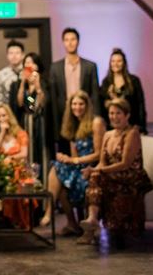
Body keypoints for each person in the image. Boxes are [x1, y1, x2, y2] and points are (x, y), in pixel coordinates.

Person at [78, 98, 152, 245]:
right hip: (112, 175)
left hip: (131, 177)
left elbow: (125, 164)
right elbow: (102, 162)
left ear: (127, 115)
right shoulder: (107, 135)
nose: (114, 117)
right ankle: (92, 220)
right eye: (111, 113)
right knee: (93, 178)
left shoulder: (132, 133)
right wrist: (92, 170)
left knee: (97, 177)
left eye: (118, 113)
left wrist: (98, 171)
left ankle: (90, 227)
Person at [42, 90, 105, 235]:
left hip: (93, 168)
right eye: (74, 104)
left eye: (81, 104)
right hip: (79, 167)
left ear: (87, 105)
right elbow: (74, 156)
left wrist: (74, 160)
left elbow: (99, 154)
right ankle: (72, 224)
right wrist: (67, 159)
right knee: (58, 171)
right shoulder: (74, 125)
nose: (77, 107)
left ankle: (49, 211)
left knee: (57, 170)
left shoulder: (96, 122)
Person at [49, 27, 101, 149]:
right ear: (63, 42)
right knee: (66, 151)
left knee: (87, 149)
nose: (70, 43)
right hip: (65, 116)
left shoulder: (90, 66)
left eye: (73, 39)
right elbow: (53, 98)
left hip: (85, 114)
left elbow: (95, 94)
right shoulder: (55, 68)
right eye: (66, 40)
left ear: (78, 41)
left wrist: (96, 117)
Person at [0, 103, 34, 229]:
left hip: (18, 166)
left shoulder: (20, 133)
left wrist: (10, 158)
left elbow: (24, 154)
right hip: (0, 168)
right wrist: (2, 133)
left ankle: (18, 220)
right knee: (0, 179)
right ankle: (5, 218)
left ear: (9, 116)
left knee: (17, 179)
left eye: (4, 115)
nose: (2, 119)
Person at [11, 52, 48, 175]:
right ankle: (28, 178)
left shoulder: (44, 82)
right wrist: (23, 82)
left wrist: (37, 86)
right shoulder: (20, 85)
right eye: (26, 62)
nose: (29, 65)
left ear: (37, 66)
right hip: (26, 121)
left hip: (40, 122)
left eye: (32, 62)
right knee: (27, 151)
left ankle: (41, 178)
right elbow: (20, 103)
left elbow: (42, 103)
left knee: (40, 150)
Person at [99, 48, 147, 133]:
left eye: (119, 61)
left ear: (124, 63)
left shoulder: (134, 80)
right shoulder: (106, 82)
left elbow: (140, 105)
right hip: (112, 128)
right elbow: (103, 106)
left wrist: (142, 126)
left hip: (131, 126)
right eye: (113, 61)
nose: (116, 64)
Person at [0, 39, 25, 107]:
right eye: (11, 53)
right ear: (7, 55)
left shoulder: (28, 72)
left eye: (17, 53)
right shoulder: (1, 74)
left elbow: (32, 95)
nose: (14, 56)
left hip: (26, 109)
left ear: (23, 55)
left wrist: (30, 104)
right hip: (8, 109)